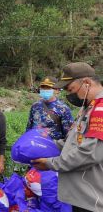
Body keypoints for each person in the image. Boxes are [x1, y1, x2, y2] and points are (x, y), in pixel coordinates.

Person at [32, 62, 103, 212]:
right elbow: (72, 141)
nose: (69, 95)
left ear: (87, 83)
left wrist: (51, 164)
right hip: (82, 195)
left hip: (93, 199)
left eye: (70, 89)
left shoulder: (100, 109)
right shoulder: (88, 107)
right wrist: (42, 146)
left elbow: (89, 153)